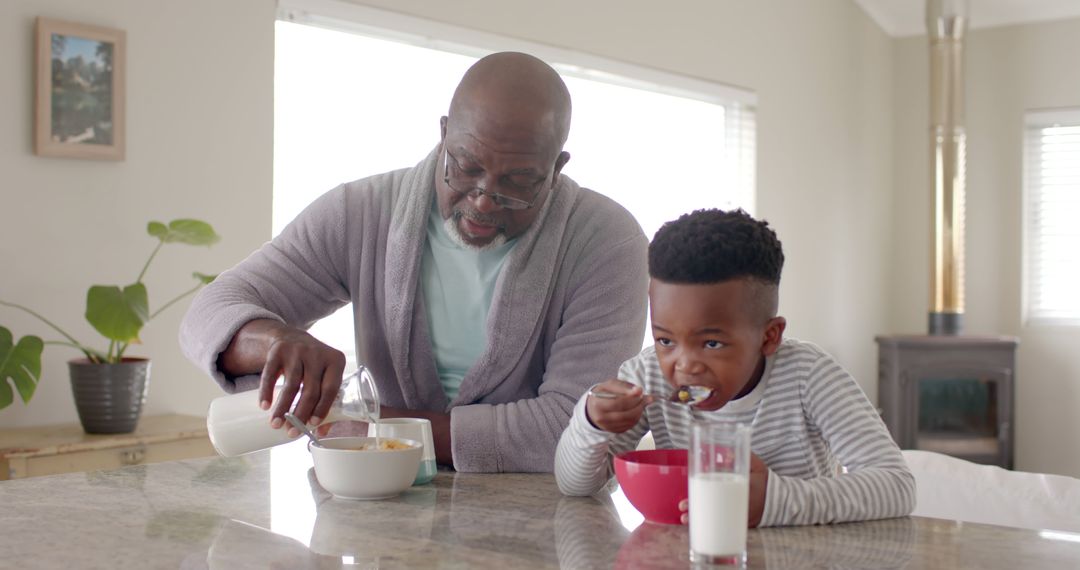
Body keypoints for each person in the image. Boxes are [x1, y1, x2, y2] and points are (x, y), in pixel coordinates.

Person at [179, 52, 649, 473]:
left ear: (557, 167)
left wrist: (378, 429)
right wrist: (277, 339)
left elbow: (573, 428)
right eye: (465, 167)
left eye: (520, 181)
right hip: (377, 506)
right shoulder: (360, 212)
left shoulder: (606, 242)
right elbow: (207, 315)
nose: (484, 200)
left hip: (543, 525)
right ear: (443, 134)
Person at [553, 208, 915, 526]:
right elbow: (575, 486)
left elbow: (896, 486)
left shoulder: (809, 376)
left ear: (769, 337)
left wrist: (773, 503)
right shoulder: (646, 375)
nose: (685, 365)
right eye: (665, 340)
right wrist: (591, 422)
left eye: (712, 343)